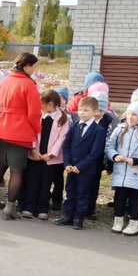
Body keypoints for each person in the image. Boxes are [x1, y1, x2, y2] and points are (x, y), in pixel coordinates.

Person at [0, 53, 42, 220]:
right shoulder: (28, 85)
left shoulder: (5, 81)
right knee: (16, 171)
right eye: (34, 67)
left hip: (1, 128)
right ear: (27, 66)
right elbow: (34, 113)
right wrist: (37, 129)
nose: (35, 70)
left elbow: (1, 102)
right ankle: (9, 208)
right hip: (19, 131)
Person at [105, 100, 138, 236]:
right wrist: (114, 155)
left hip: (137, 171)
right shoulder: (120, 129)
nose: (130, 117)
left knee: (135, 197)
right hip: (121, 170)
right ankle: (118, 220)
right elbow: (110, 146)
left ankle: (134, 223)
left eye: (134, 114)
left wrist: (137, 160)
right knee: (119, 196)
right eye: (128, 113)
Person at [56, 96, 107, 230]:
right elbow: (66, 146)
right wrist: (67, 163)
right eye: (80, 110)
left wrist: (80, 166)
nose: (82, 113)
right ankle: (69, 215)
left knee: (82, 193)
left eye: (86, 110)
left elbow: (95, 152)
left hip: (86, 169)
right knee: (70, 191)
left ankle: (79, 217)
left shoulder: (99, 130)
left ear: (95, 112)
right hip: (71, 167)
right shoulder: (73, 127)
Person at [21, 90, 70, 220]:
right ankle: (29, 206)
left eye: (41, 103)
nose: (40, 106)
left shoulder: (63, 118)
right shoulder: (38, 116)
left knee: (46, 183)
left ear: (50, 104)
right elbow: (31, 133)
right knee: (33, 181)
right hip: (36, 155)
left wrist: (51, 154)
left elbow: (61, 138)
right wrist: (33, 149)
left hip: (50, 159)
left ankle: (43, 208)